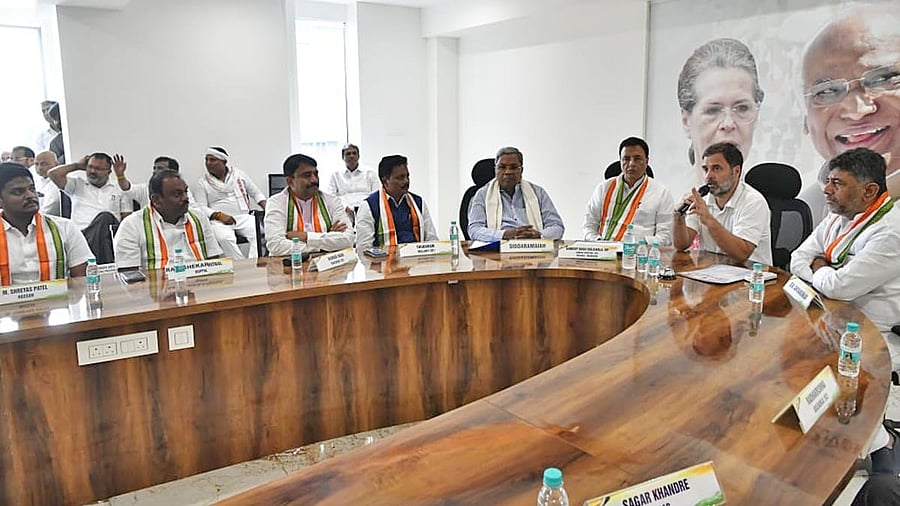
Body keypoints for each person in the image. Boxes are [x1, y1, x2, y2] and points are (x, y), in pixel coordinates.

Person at [799, 5, 900, 221]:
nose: (857, 112)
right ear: (806, 120)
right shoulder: (806, 212)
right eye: (827, 91)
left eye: (883, 78)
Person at [677, 38, 765, 185]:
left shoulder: (764, 202)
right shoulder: (666, 199)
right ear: (686, 121)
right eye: (713, 110)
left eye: (742, 108)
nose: (728, 124)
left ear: (756, 115)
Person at [673, 142, 772, 265]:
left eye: (716, 168)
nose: (708, 176)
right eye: (705, 169)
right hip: (711, 273)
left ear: (736, 171)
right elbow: (682, 245)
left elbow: (742, 253)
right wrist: (679, 216)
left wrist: (708, 220)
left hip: (750, 277)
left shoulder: (753, 202)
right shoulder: (702, 197)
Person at [0, 163, 91, 285]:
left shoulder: (64, 228)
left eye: (32, 189)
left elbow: (83, 281)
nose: (30, 195)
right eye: (18, 192)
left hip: (60, 303)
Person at [114, 170, 221, 271]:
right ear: (156, 200)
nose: (185, 198)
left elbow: (214, 259)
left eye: (185, 192)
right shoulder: (131, 225)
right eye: (177, 194)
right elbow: (128, 274)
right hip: (155, 287)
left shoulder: (199, 217)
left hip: (201, 284)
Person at [583, 137, 674, 245]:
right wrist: (599, 243)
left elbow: (666, 235)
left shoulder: (661, 193)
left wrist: (638, 244)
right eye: (626, 159)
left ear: (646, 161)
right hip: (604, 252)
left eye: (637, 159)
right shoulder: (603, 188)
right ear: (620, 161)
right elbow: (589, 226)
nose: (631, 164)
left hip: (640, 254)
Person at [467, 146, 565, 242]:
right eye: (502, 167)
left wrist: (539, 235)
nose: (508, 172)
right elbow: (474, 230)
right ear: (495, 170)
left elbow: (557, 226)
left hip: (532, 247)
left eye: (513, 167)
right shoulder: (482, 194)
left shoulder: (538, 192)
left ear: (521, 170)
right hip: (498, 250)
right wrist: (505, 234)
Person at [47, 152, 131, 264]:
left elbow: (127, 219)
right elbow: (53, 174)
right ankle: (104, 267)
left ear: (109, 171)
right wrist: (77, 165)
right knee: (103, 221)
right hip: (82, 235)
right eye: (90, 167)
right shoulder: (77, 185)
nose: (92, 171)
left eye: (98, 169)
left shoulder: (119, 187)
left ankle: (92, 265)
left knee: (105, 218)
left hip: (111, 236)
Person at [264, 153, 353, 255]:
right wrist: (328, 240)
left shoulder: (332, 201)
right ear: (290, 181)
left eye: (316, 174)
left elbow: (348, 239)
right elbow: (276, 246)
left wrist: (306, 237)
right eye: (307, 175)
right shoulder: (276, 203)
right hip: (289, 267)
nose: (314, 180)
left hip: (328, 265)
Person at [193, 146, 266, 259]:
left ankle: (254, 263)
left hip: (243, 217)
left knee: (258, 232)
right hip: (219, 221)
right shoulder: (202, 183)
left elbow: (256, 193)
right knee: (225, 238)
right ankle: (241, 266)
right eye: (206, 160)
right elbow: (201, 207)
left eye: (213, 160)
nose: (208, 163)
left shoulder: (239, 175)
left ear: (224, 161)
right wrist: (219, 215)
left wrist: (267, 208)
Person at [355, 154, 438, 251]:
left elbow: (432, 240)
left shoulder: (418, 202)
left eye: (407, 176)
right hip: (385, 263)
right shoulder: (369, 207)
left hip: (417, 261)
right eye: (400, 178)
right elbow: (364, 249)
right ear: (385, 181)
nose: (406, 181)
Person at [327, 144, 379, 221]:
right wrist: (345, 208)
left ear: (358, 156)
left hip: (367, 211)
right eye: (348, 154)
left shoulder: (370, 173)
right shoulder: (335, 175)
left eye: (354, 153)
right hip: (344, 211)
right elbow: (331, 196)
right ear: (343, 157)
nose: (351, 156)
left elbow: (376, 194)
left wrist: (364, 208)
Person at [32, 151, 61, 216]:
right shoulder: (37, 181)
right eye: (36, 164)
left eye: (44, 164)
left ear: (56, 164)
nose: (39, 168)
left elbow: (48, 211)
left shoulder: (57, 184)